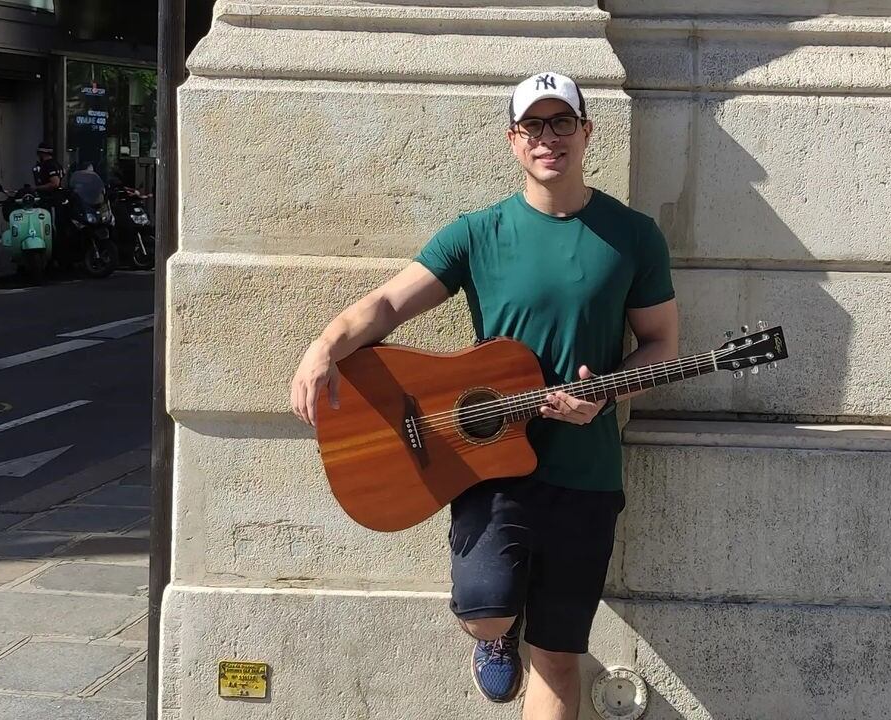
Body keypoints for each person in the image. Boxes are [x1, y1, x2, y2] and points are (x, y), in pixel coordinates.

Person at [290, 72, 679, 720]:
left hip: (584, 474)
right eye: (534, 126)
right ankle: (498, 634)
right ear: (513, 140)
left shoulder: (633, 236)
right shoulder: (478, 234)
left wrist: (606, 396)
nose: (549, 138)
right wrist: (324, 345)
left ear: (586, 133)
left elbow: (662, 343)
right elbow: (388, 304)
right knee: (485, 611)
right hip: (488, 468)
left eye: (562, 123)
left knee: (558, 657)